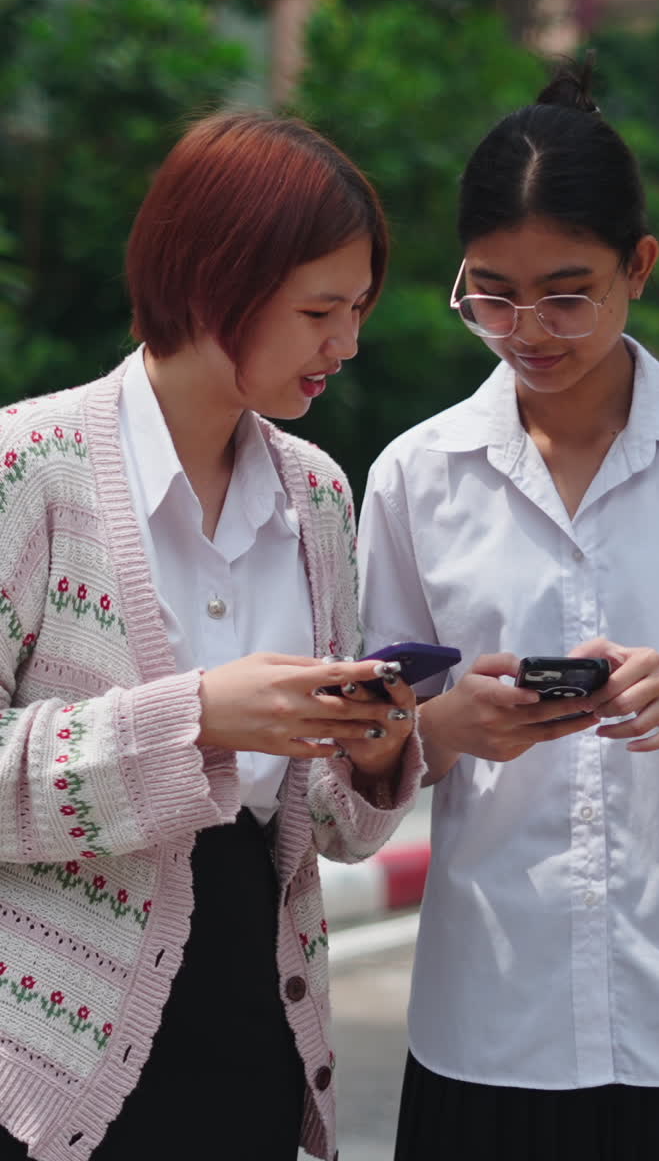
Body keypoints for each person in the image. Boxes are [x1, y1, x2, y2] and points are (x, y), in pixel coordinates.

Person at [0, 109, 423, 1161]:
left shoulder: (318, 494)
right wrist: (192, 719)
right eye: (321, 308)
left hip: (256, 1024)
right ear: (209, 281)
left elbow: (324, 829)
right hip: (47, 1051)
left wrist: (371, 755)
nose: (349, 344)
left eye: (359, 308)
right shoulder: (30, 469)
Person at [358, 60, 659, 1161]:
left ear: (639, 267)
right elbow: (360, 757)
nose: (529, 327)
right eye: (491, 293)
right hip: (491, 1019)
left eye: (569, 292)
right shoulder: (418, 476)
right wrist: (444, 728)